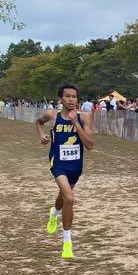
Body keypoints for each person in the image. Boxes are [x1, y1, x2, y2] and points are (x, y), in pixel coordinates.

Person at [36, 84, 94, 259]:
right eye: (67, 96)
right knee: (69, 198)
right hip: (58, 163)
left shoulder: (84, 117)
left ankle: (54, 212)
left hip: (76, 165)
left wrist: (76, 123)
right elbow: (39, 122)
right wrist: (42, 136)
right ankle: (67, 243)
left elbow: (89, 145)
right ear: (61, 98)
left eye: (74, 96)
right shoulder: (52, 115)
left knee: (63, 196)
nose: (71, 99)